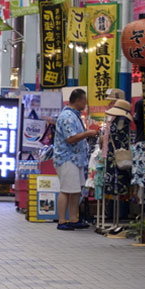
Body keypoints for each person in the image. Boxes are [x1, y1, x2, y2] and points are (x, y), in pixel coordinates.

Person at [54, 88, 100, 231]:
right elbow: (70, 138)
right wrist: (87, 133)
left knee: (75, 190)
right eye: (84, 101)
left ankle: (74, 218)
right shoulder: (67, 116)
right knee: (66, 190)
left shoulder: (75, 115)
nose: (85, 104)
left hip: (76, 159)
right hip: (67, 158)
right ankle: (62, 220)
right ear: (79, 100)